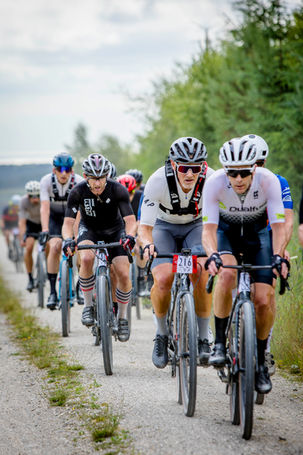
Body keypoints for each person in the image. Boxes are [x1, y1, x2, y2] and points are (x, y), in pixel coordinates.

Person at [202, 135, 289, 394]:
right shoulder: (214, 182)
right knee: (227, 274)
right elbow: (208, 229)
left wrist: (278, 255)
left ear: (253, 168)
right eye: (232, 173)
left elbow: (279, 226)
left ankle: (261, 361)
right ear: (225, 171)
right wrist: (212, 254)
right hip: (227, 234)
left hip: (258, 236)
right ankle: (219, 343)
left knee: (263, 298)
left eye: (243, 172)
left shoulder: (269, 181)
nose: (238, 179)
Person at [138, 136, 215, 368]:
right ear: (173, 165)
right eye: (184, 168)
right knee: (162, 278)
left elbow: (216, 223)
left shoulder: (212, 179)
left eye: (196, 168)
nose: (190, 174)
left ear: (203, 166)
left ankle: (202, 338)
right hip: (164, 227)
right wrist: (148, 245)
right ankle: (161, 335)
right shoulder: (157, 181)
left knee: (201, 273)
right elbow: (145, 228)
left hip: (196, 225)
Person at [61, 153, 137, 342]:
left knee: (123, 273)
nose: (97, 183)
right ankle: (87, 306)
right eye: (93, 178)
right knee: (86, 258)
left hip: (115, 230)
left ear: (107, 176)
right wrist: (67, 239)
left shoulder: (118, 189)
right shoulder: (77, 191)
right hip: (90, 230)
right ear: (86, 177)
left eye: (101, 178)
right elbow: (68, 222)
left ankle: (122, 318)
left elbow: (130, 220)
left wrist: (130, 236)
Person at [245, 134, 294, 374]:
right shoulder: (234, 179)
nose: (255, 169)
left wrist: (281, 250)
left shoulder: (278, 181)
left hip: (267, 236)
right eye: (250, 163)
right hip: (239, 235)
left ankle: (265, 349)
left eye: (260, 163)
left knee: (266, 293)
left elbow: (286, 220)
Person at [40, 152, 83, 309]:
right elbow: (44, 209)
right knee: (55, 246)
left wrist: (76, 235)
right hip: (55, 218)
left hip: (73, 218)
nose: (63, 173)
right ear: (54, 170)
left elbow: (80, 212)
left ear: (72, 170)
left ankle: (79, 286)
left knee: (81, 248)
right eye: (60, 169)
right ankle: (52, 292)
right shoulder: (46, 182)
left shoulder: (79, 182)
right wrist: (45, 230)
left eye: (67, 169)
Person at [117, 174, 147, 296]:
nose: (129, 196)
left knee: (140, 247)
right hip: (119, 227)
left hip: (136, 226)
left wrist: (135, 236)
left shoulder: (141, 196)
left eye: (131, 192)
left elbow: (141, 220)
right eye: (125, 193)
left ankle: (141, 277)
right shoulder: (115, 197)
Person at [18, 181, 42, 291]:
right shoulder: (23, 201)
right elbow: (22, 222)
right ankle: (30, 278)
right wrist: (22, 237)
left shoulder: (45, 199)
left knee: (48, 246)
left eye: (38, 195)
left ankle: (46, 271)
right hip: (31, 224)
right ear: (28, 195)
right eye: (32, 196)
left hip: (43, 224)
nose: (35, 198)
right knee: (29, 247)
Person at [1, 194, 20, 259]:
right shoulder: (6, 209)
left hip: (15, 223)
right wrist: (3, 228)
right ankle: (9, 248)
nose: (16, 206)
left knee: (19, 235)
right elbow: (2, 220)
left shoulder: (20, 208)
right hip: (7, 224)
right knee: (7, 235)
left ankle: (20, 249)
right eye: (15, 204)